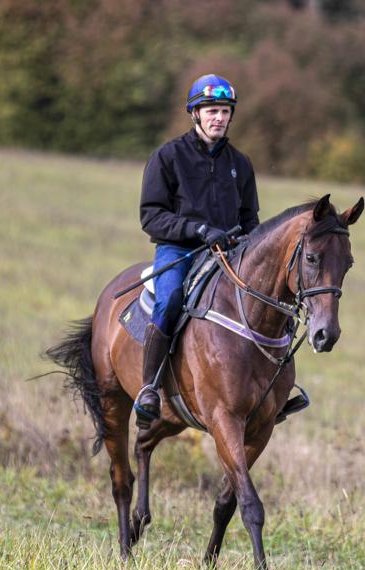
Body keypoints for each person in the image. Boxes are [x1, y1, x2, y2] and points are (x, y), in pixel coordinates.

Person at [133, 74, 260, 428]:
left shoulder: (241, 164)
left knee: (264, 302)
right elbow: (151, 216)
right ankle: (149, 388)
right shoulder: (167, 157)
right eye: (211, 111)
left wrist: (246, 244)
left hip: (228, 254)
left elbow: (250, 219)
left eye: (224, 111)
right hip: (180, 251)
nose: (218, 117)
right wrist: (196, 229)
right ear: (195, 114)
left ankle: (270, 391)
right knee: (171, 297)